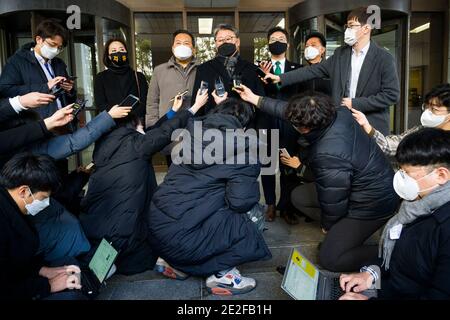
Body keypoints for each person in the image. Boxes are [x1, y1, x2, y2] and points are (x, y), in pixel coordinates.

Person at [237, 85, 399, 272]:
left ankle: (390, 252)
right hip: (364, 184)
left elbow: (333, 197)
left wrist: (329, 226)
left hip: (373, 203)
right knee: (299, 196)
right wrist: (255, 98)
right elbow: (288, 110)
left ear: (304, 128)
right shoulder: (336, 112)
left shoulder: (328, 152)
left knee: (330, 258)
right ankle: (345, 233)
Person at [147, 98, 271, 296]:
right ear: (244, 124)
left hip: (157, 230)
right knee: (254, 212)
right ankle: (223, 275)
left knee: (200, 199)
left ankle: (175, 263)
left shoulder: (189, 138)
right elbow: (240, 203)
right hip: (185, 242)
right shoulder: (243, 151)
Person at [80, 89, 208, 275]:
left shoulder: (107, 144)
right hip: (124, 231)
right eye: (141, 127)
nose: (144, 130)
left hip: (94, 225)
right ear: (133, 127)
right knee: (146, 254)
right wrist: (194, 107)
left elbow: (154, 133)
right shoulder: (137, 145)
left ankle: (103, 264)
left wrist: (172, 111)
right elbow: (162, 133)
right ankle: (106, 267)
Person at [339, 128, 450, 300]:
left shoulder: (443, 225)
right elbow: (399, 256)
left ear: (441, 175)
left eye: (408, 174)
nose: (401, 178)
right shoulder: (416, 205)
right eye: (400, 170)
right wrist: (371, 275)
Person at [264, 7, 400, 135]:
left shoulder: (384, 58)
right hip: (342, 124)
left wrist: (355, 103)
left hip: (372, 126)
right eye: (347, 26)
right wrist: (280, 78)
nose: (347, 30)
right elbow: (311, 71)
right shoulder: (340, 54)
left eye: (352, 26)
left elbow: (391, 95)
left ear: (366, 28)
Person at [0, 153, 85, 300]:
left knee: (70, 265)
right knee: (71, 296)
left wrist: (42, 270)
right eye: (43, 198)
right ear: (24, 191)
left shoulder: (13, 205)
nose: (46, 203)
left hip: (20, 277)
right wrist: (48, 285)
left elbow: (15, 262)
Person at [257, 27, 303, 225]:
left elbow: (299, 97)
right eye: (273, 38)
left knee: (288, 166)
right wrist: (265, 79)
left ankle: (286, 205)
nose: (277, 41)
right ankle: (270, 205)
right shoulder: (258, 68)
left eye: (281, 38)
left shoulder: (297, 69)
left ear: (288, 44)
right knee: (267, 167)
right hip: (266, 123)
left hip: (289, 124)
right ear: (268, 43)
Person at [0, 19, 76, 119]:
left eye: (59, 47)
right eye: (52, 45)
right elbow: (5, 90)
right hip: (39, 124)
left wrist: (70, 90)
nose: (56, 50)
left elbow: (67, 98)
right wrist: (45, 87)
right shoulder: (17, 61)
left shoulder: (59, 63)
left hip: (65, 120)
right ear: (39, 39)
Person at [352, 83, 450, 157]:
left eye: (434, 109)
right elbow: (389, 146)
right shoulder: (420, 131)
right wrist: (367, 127)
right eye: (426, 107)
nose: (428, 112)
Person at [191, 24, 265, 115]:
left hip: (246, 126)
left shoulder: (252, 69)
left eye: (228, 38)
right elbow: (197, 105)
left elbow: (261, 104)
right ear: (215, 44)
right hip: (213, 125)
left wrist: (260, 129)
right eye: (220, 40)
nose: (224, 42)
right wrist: (198, 128)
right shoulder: (203, 69)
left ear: (237, 42)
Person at [145, 30, 199, 128]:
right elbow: (152, 102)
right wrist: (152, 127)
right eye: (178, 43)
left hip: (196, 127)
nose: (182, 46)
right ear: (173, 48)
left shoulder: (202, 69)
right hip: (166, 127)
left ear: (194, 49)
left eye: (186, 43)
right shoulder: (159, 71)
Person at [94, 38, 148, 122]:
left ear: (126, 53)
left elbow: (145, 102)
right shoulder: (100, 78)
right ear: (108, 56)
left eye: (122, 49)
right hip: (111, 127)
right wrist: (116, 113)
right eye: (114, 50)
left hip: (135, 126)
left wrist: (130, 116)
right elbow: (100, 104)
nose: (118, 53)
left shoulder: (139, 76)